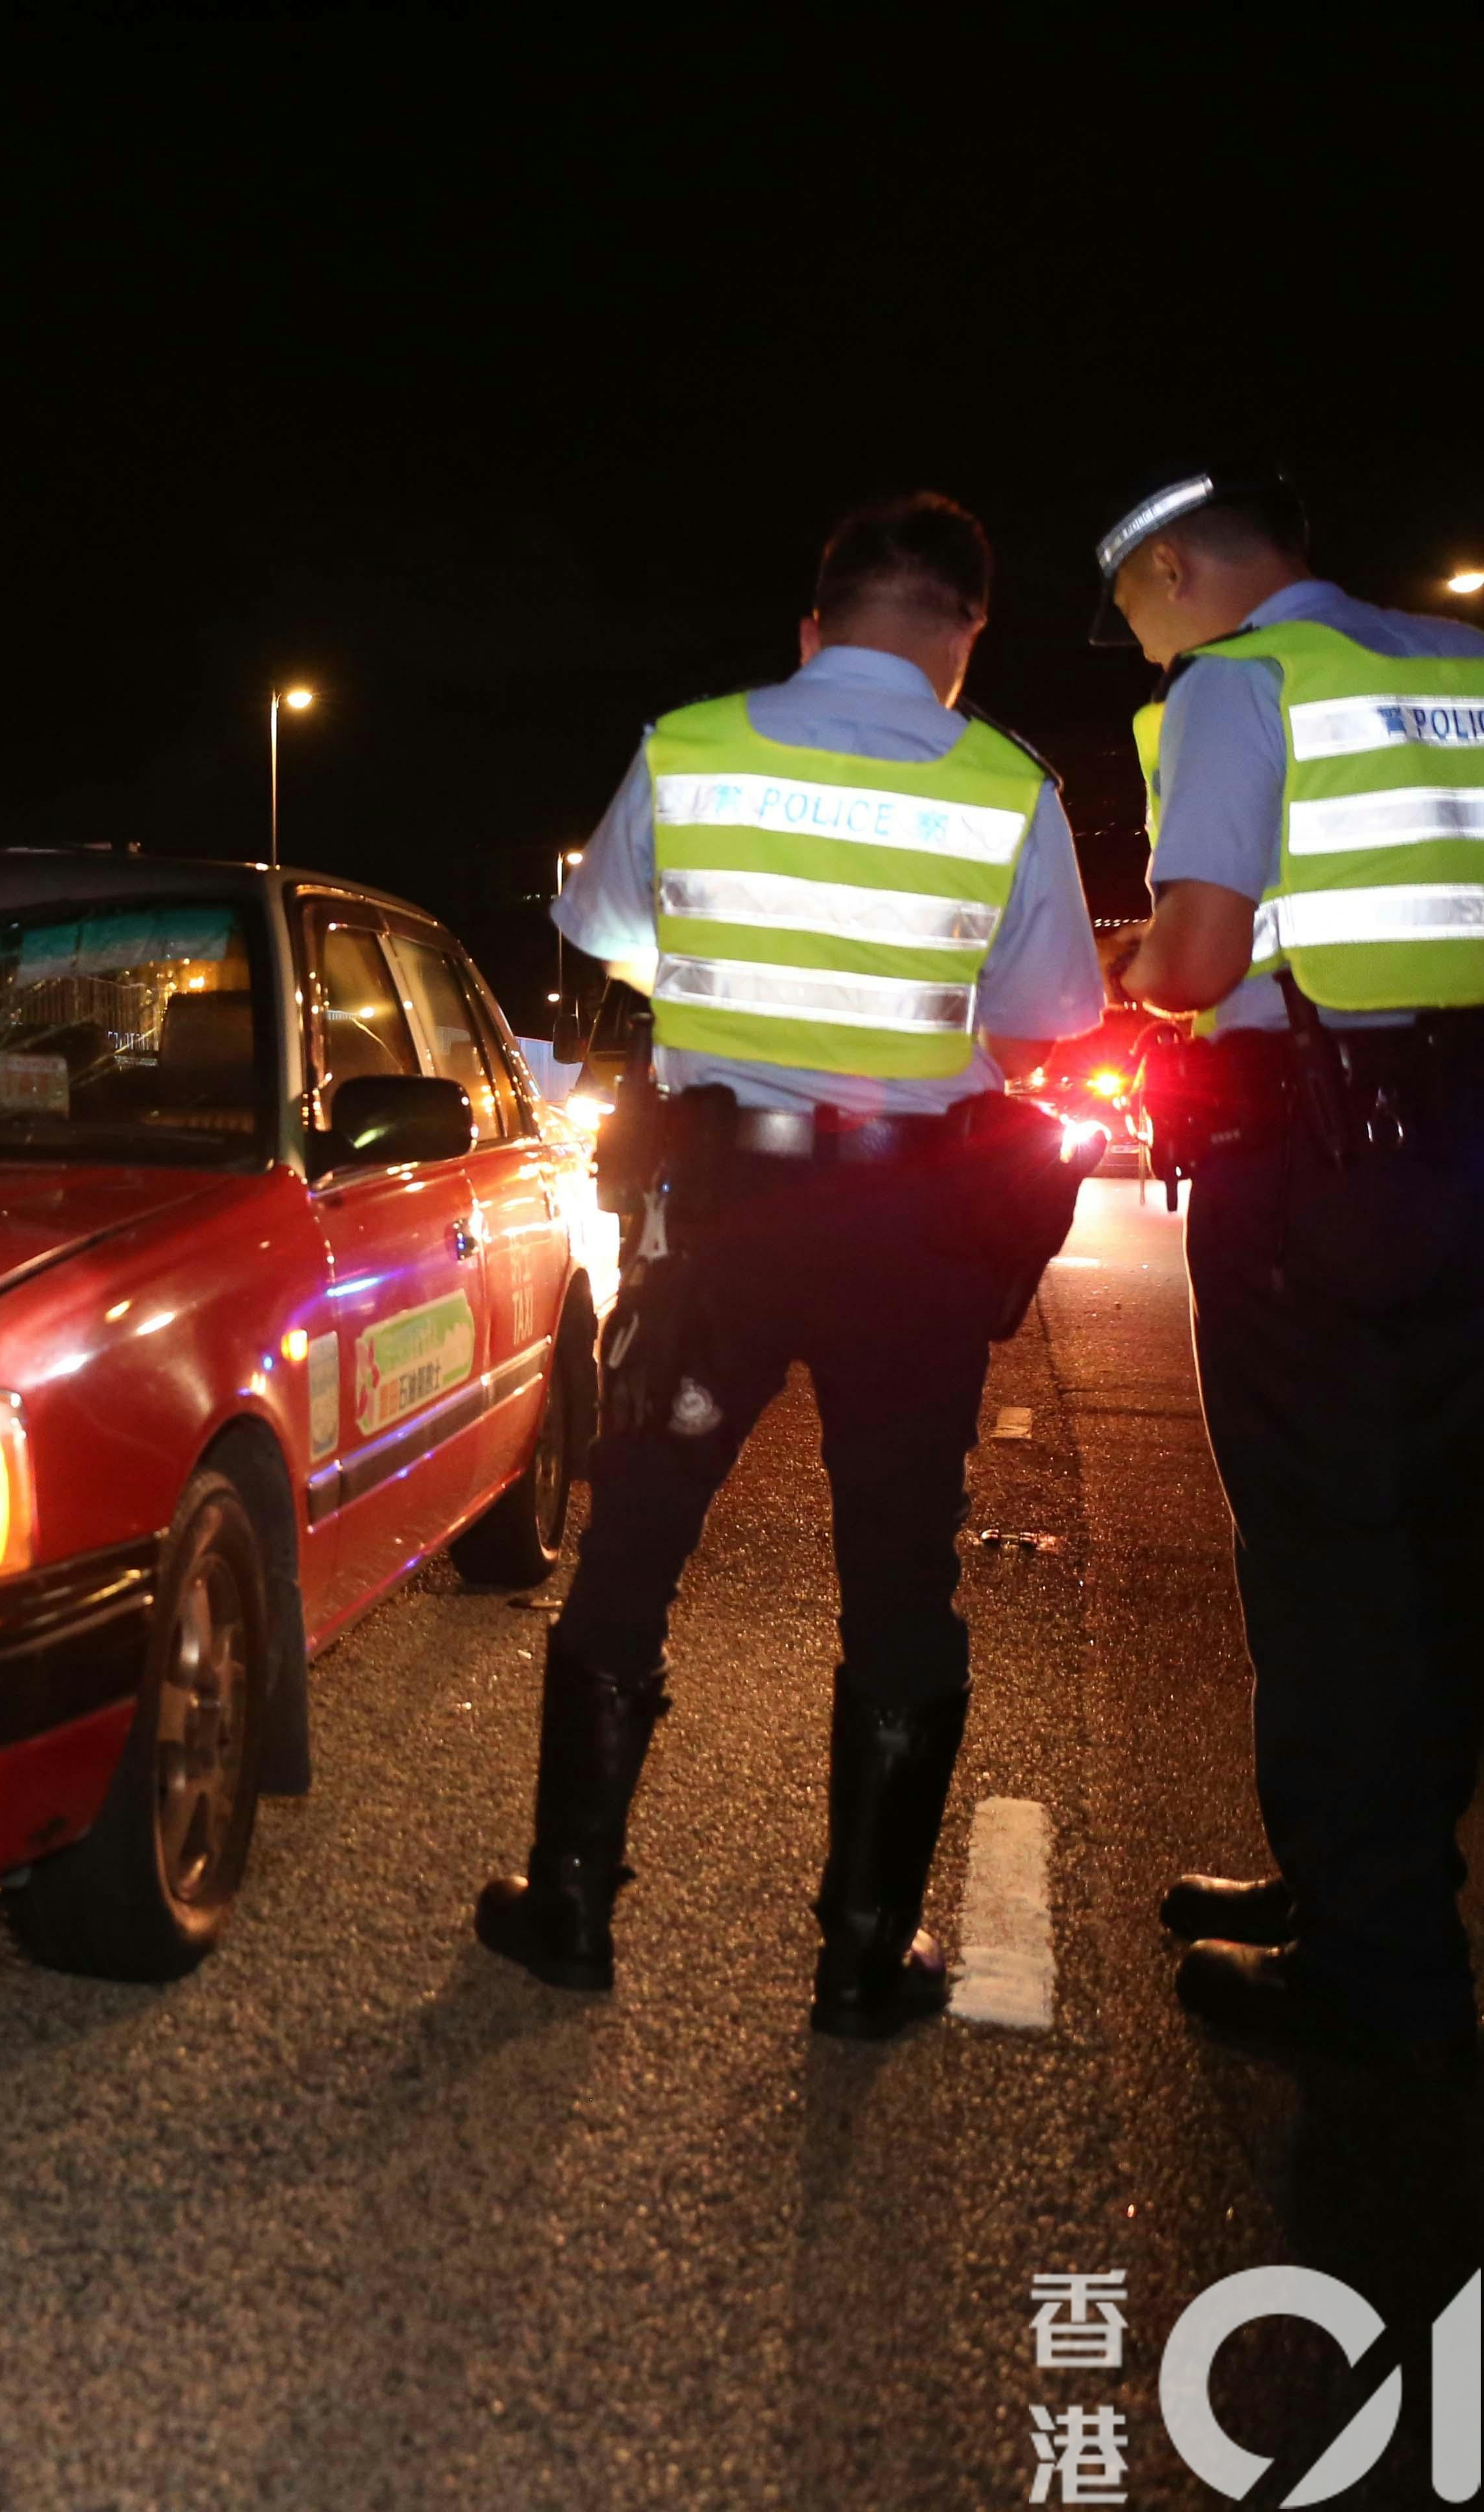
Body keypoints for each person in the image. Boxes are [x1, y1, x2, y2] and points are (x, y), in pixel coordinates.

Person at [477, 492, 1104, 2036]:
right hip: (912, 1234)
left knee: (640, 1531)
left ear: (813, 627)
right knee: (899, 1570)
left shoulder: (693, 744)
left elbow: (606, 925)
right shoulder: (1007, 785)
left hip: (726, 1217)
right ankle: (863, 1957)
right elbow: (1053, 1017)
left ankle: (570, 1907)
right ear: (966, 640)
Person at [1094, 462, 1484, 2058]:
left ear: (1177, 571)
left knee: (1328, 1552)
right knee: (1441, 1540)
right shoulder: (1459, 665)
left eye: (1131, 610)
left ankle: (1379, 1967)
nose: (1139, 646)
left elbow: (1200, 956)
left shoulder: (1242, 686)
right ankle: (1364, 1886)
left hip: (1321, 1160)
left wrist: (1128, 962)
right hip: (1462, 1143)